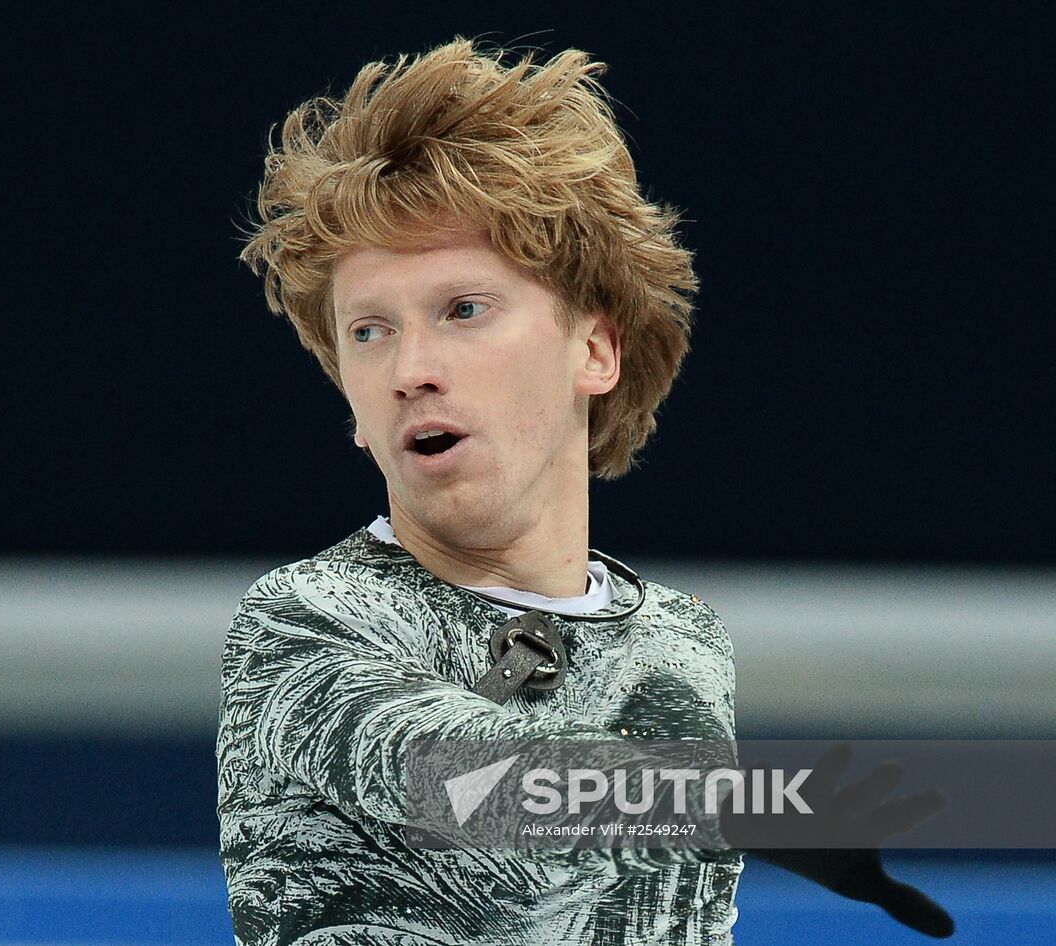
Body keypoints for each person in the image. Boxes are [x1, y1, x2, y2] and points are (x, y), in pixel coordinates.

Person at [217, 37, 951, 944]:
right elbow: (474, 791)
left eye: (463, 310)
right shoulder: (303, 622)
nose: (409, 370)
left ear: (595, 351)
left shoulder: (681, 645)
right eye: (369, 332)